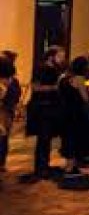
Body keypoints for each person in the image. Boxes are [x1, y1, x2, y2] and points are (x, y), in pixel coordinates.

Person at [27, 48, 65, 178]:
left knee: (47, 138)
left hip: (51, 108)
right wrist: (54, 87)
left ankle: (45, 165)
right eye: (60, 56)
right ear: (51, 56)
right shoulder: (41, 69)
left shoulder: (56, 70)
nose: (62, 59)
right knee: (43, 138)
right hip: (42, 108)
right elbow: (35, 87)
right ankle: (40, 167)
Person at [58, 56, 89, 177]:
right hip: (76, 113)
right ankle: (71, 168)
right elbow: (85, 98)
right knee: (75, 138)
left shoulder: (63, 77)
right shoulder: (79, 78)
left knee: (67, 138)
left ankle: (69, 165)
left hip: (64, 112)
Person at [0, 55, 19, 171]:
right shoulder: (4, 85)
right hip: (4, 114)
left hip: (5, 113)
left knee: (3, 141)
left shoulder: (7, 84)